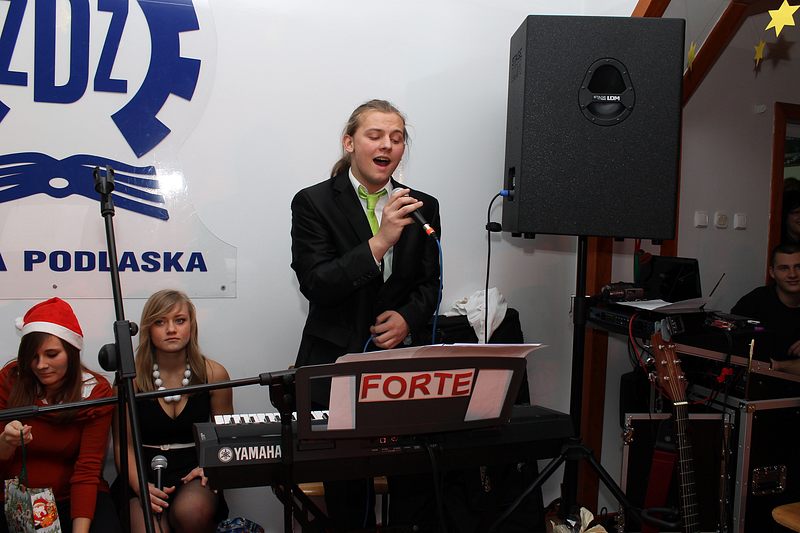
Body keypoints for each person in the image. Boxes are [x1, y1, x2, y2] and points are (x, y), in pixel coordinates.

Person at [290, 99, 441, 531]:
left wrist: (407, 318)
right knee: (348, 500)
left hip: (402, 374)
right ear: (349, 142)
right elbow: (317, 282)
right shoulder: (314, 202)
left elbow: (430, 283)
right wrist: (381, 241)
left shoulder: (422, 205)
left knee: (412, 493)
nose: (387, 145)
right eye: (375, 135)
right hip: (337, 369)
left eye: (397, 138)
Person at [114, 289, 232, 533]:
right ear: (148, 329)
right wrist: (141, 488)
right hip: (142, 472)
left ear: (192, 325)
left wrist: (210, 466)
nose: (171, 329)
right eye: (160, 322)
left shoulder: (214, 374)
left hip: (194, 471)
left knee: (193, 512)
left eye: (179, 320)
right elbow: (123, 445)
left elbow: (226, 437)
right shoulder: (129, 379)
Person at [0, 297, 121, 533]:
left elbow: (88, 470)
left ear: (72, 352)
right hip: (16, 501)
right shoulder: (10, 380)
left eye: (52, 354)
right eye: (33, 357)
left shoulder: (95, 392)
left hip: (73, 497)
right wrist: (6, 441)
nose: (41, 365)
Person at [732, 243, 800, 373]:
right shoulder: (754, 302)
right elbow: (732, 347)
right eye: (784, 268)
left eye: (798, 267)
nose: (792, 274)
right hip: (759, 379)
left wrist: (778, 366)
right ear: (772, 272)